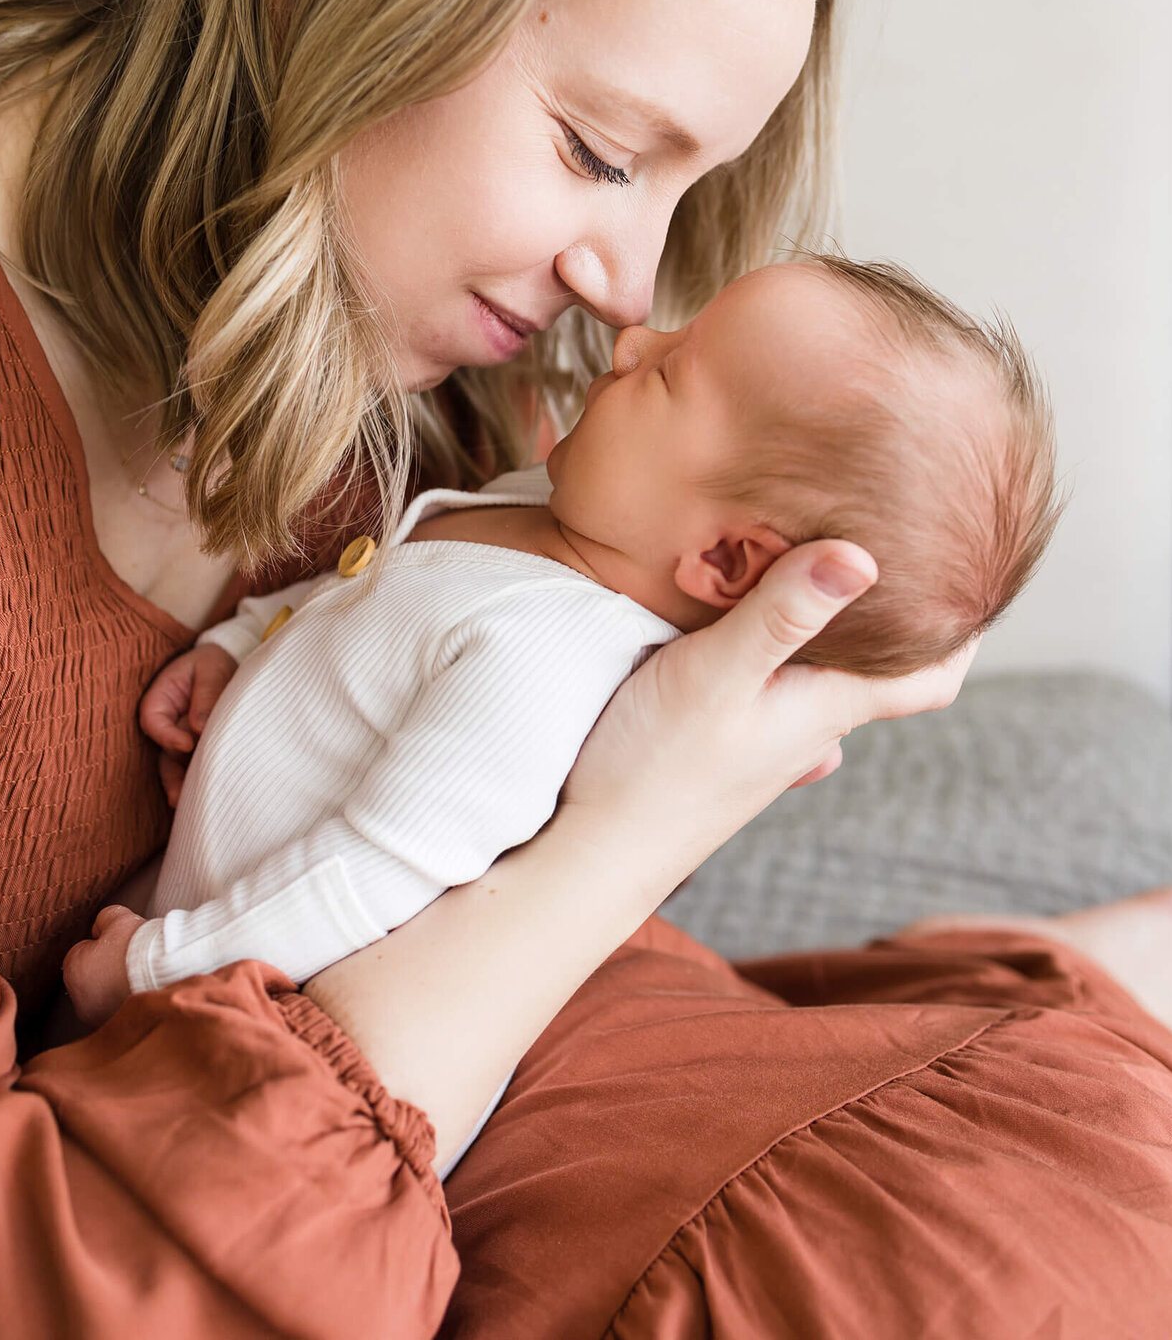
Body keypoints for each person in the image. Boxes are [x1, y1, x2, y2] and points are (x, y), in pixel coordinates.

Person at [0, 0, 1172, 1340]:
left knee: (1020, 1195)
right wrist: (641, 827)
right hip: (240, 1194)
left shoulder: (372, 322)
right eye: (603, 152)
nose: (627, 294)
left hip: (450, 1082)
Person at [62, 253, 1059, 1032]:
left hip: (225, 1000)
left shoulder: (544, 666)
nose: (629, 344)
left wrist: (156, 969)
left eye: (671, 375)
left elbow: (368, 875)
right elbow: (365, 594)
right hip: (187, 895)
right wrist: (239, 647)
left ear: (723, 562)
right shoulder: (552, 510)